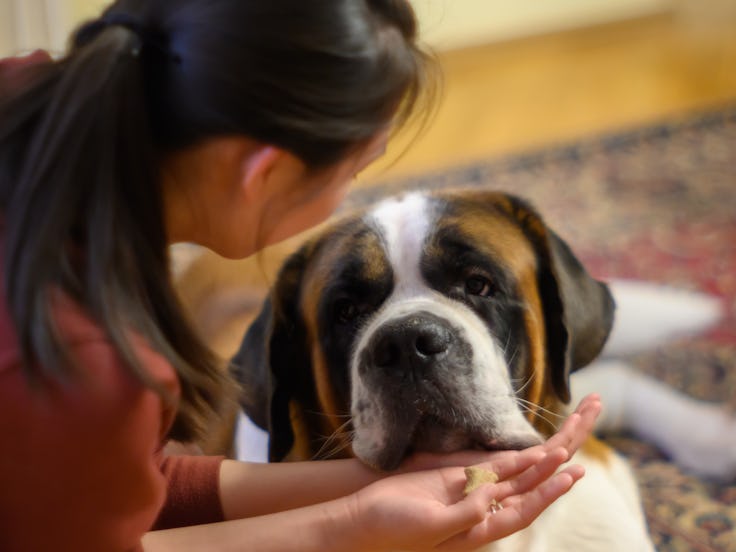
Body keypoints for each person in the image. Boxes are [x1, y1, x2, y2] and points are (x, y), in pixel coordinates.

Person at [0, 1, 602, 551]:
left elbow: (118, 488)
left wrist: (353, 488)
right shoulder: (85, 365)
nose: (350, 196)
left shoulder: (31, 104)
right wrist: (350, 528)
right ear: (265, 172)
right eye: (356, 171)